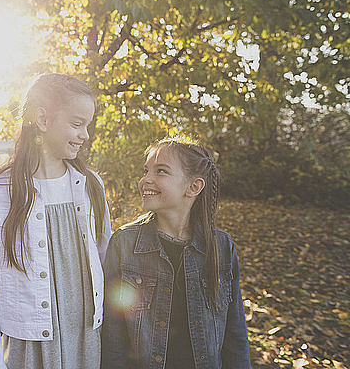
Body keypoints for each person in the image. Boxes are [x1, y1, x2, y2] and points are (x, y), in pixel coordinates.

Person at [0, 73, 112, 369]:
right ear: (43, 120)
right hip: (28, 349)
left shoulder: (91, 187)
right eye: (76, 124)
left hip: (86, 340)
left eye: (87, 125)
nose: (85, 135)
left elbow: (106, 262)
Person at [101, 137, 251, 369]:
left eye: (161, 171)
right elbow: (112, 336)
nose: (145, 180)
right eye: (146, 171)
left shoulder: (222, 247)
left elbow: (235, 336)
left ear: (194, 187)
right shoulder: (124, 243)